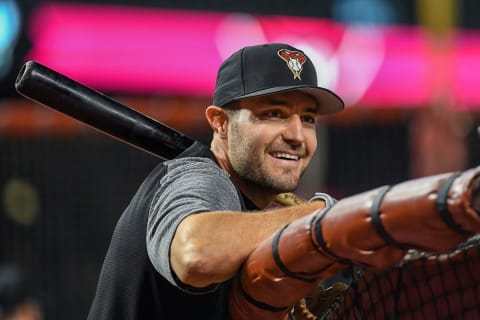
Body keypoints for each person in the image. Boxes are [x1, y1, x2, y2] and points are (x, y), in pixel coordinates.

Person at [87, 43, 344, 319]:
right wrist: (318, 217)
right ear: (220, 122)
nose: (296, 135)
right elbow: (197, 255)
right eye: (274, 114)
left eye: (308, 119)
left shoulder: (243, 209)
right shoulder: (203, 179)